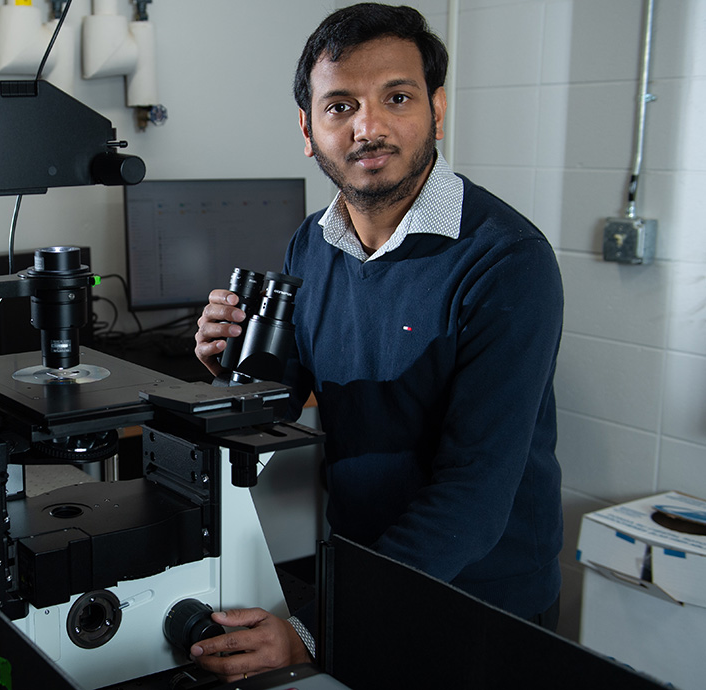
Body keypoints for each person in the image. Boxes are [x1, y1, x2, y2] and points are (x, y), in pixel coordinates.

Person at [192, 3, 564, 682]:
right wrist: (230, 369)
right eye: (339, 106)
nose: (368, 127)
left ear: (436, 109)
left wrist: (316, 627)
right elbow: (282, 404)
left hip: (478, 602)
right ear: (307, 130)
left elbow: (473, 497)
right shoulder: (312, 240)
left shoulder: (505, 260)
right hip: (368, 571)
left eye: (396, 97)